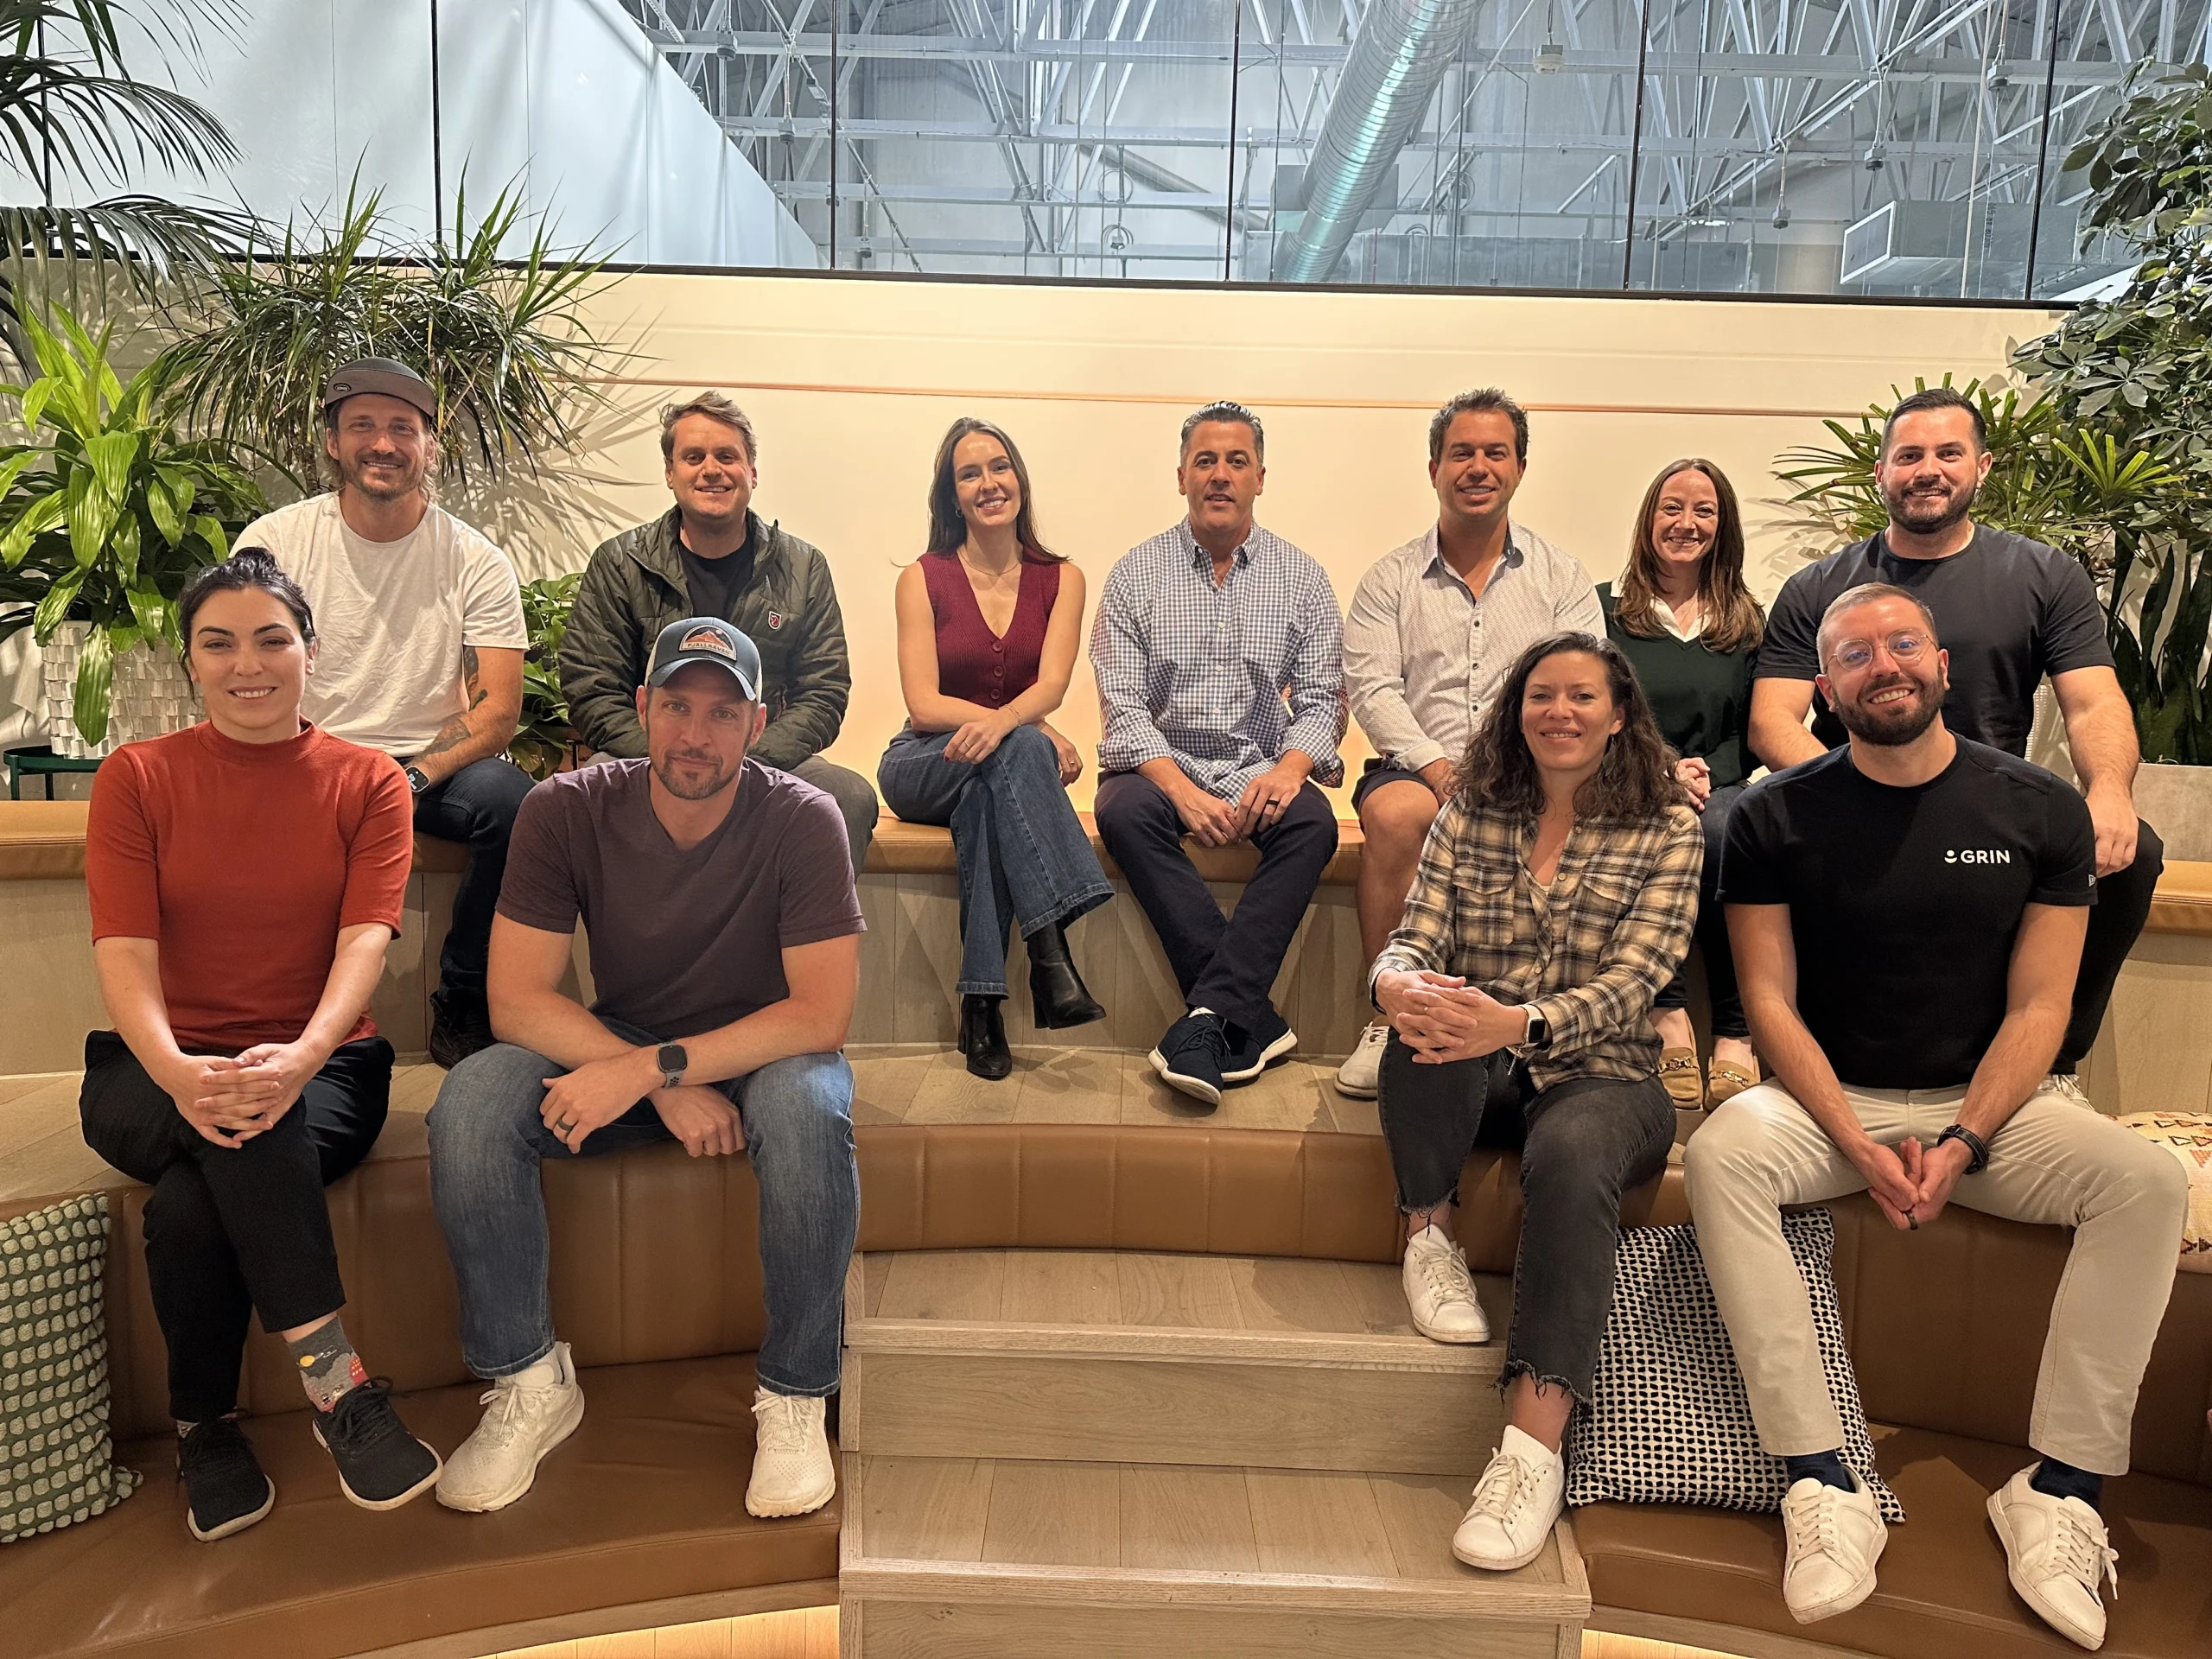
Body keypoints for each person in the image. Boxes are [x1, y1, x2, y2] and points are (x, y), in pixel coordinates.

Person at [1689, 584, 2187, 1647]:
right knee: (1724, 1152)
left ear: (1942, 665)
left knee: (2146, 1182)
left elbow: (2042, 1006)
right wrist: (1853, 1139)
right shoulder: (1771, 816)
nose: (1884, 665)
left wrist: (1964, 1140)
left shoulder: (2037, 807)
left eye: (1902, 643)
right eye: (1855, 655)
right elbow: (1767, 1001)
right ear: (1826, 692)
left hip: (1991, 1106)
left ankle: (2059, 1491)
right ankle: (1821, 1479)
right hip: (1832, 1102)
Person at [428, 615, 862, 1522]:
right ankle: (529, 1381)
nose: (695, 734)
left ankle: (795, 1393)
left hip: (766, 1051)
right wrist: (657, 1080)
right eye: (677, 706)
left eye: (722, 712)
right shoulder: (565, 808)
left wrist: (654, 1071)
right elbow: (517, 1002)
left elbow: (819, 1016)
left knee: (807, 1110)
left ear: (757, 723)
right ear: (642, 708)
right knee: (471, 1101)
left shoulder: (803, 818)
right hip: (628, 1044)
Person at [79, 550, 443, 1542]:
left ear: (309, 651)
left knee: (199, 1197)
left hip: (327, 1066)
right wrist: (179, 1075)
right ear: (190, 659)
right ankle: (339, 1388)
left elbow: (365, 942)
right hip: (150, 1064)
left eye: (272, 639)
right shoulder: (137, 778)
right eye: (220, 643)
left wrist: (299, 1059)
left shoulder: (369, 782)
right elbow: (124, 951)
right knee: (244, 1121)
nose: (248, 663)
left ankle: (202, 1429)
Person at [1372, 632, 1700, 1573]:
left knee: (1572, 1154)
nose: (1560, 712)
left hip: (1607, 1072)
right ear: (1516, 712)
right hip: (1479, 1055)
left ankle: (1530, 1452)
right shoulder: (1471, 809)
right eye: (1541, 695)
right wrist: (1395, 983)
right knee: (1424, 1024)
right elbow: (1416, 934)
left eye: (1582, 697)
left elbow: (1636, 982)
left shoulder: (1669, 825)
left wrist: (1516, 1023)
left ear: (1619, 715)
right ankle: (1427, 1238)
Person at [1748, 386, 2162, 1079]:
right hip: (1850, 798)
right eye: (1909, 456)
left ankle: (2050, 1064)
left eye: (1948, 453)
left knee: (2134, 852)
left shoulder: (2043, 575)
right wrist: (1844, 794)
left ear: (1982, 466)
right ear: (1881, 472)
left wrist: (2111, 792)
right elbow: (1772, 720)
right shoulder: (1818, 586)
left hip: (1994, 804)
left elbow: (2094, 703)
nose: (1928, 470)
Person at [238, 358, 533, 1071]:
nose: (383, 443)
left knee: (516, 804)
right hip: (312, 759)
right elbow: (245, 678)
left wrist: (411, 779)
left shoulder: (475, 559)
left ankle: (465, 1001)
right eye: (362, 425)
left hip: (429, 769)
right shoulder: (274, 545)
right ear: (332, 441)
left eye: (403, 428)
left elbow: (498, 710)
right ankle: (280, 1009)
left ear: (430, 446)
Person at [1337, 388, 1603, 1100]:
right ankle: (1389, 1020)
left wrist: (1521, 769)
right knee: (1396, 816)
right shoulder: (1390, 579)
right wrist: (1438, 767)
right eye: (1461, 453)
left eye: (1495, 453)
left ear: (1520, 468)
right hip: (1416, 767)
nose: (1477, 467)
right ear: (1434, 469)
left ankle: (1523, 1028)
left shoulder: (1561, 579)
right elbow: (1373, 690)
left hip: (1536, 772)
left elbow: (1584, 687)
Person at [1090, 401, 1344, 1109]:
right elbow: (1123, 708)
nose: (1220, 475)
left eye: (1237, 461)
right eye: (1205, 461)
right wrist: (1181, 790)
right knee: (1123, 813)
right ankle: (1247, 1017)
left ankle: (1207, 1017)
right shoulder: (1136, 574)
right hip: (1160, 768)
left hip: (1259, 768)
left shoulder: (1302, 577)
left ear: (1261, 476)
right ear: (1181, 477)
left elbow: (1324, 699)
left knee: (1313, 823)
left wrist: (1289, 769)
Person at [877, 417, 1113, 1079]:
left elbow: (1053, 684)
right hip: (924, 761)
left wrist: (1017, 725)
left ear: (1020, 480)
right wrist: (1028, 726)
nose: (988, 482)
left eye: (999, 466)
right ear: (952, 496)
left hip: (988, 773)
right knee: (1022, 749)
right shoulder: (921, 578)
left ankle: (981, 1006)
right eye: (969, 473)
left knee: (990, 795)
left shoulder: (1062, 578)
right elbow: (925, 705)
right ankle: (1050, 951)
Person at [560, 391, 880, 874]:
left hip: (766, 756)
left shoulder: (804, 567)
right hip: (648, 754)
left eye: (727, 456)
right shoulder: (619, 563)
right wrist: (672, 754)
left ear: (752, 472)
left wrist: (741, 759)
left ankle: (812, 925)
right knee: (588, 787)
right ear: (671, 474)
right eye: (694, 457)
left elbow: (824, 691)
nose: (711, 470)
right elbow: (592, 688)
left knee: (848, 796)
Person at [1600, 458, 1763, 1113]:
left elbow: (1755, 729)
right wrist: (1662, 769)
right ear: (1649, 518)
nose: (1686, 523)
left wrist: (1701, 774)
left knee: (1723, 829)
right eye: (1672, 507)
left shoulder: (1748, 621)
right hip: (1627, 776)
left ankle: (1736, 1032)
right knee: (1656, 824)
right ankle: (1667, 1016)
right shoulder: (1606, 610)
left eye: (1704, 510)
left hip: (1719, 784)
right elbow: (1596, 711)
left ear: (1723, 526)